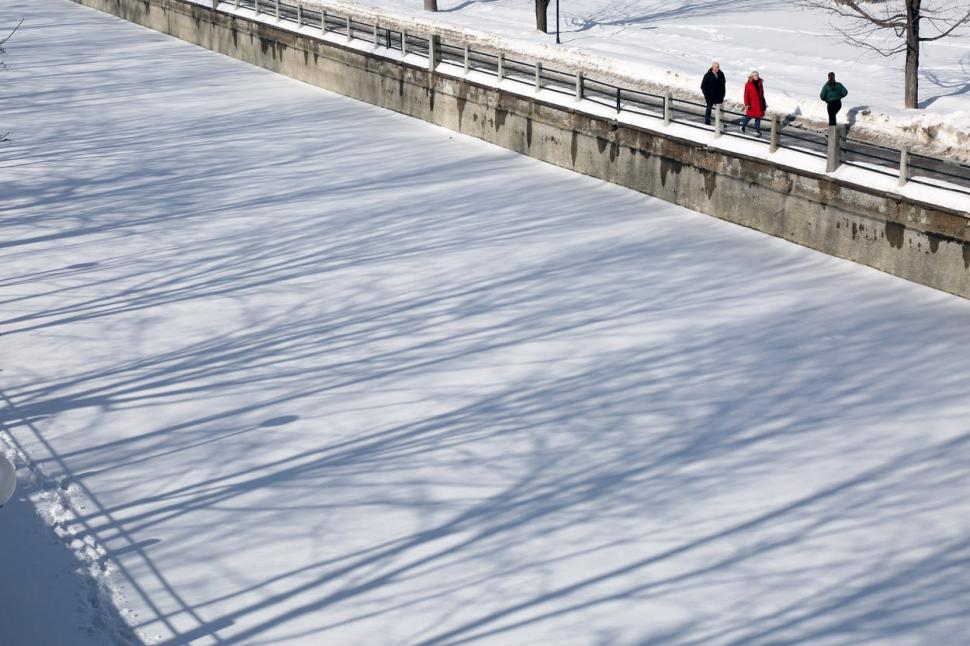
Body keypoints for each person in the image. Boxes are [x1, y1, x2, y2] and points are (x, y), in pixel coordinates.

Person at [740, 70, 767, 136]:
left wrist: (764, 103)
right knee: (749, 117)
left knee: (758, 117)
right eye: (755, 75)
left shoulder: (760, 83)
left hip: (759, 104)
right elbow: (746, 95)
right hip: (752, 104)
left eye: (757, 75)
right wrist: (746, 104)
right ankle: (742, 126)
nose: (756, 76)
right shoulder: (748, 84)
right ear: (752, 76)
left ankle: (756, 130)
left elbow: (762, 94)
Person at [701, 61, 726, 126]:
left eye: (718, 67)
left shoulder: (721, 74)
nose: (717, 68)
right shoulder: (707, 75)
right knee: (709, 109)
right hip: (710, 96)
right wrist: (707, 95)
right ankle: (707, 122)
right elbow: (703, 86)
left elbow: (723, 85)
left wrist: (723, 94)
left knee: (719, 111)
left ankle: (721, 123)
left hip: (719, 96)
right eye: (716, 67)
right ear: (712, 67)